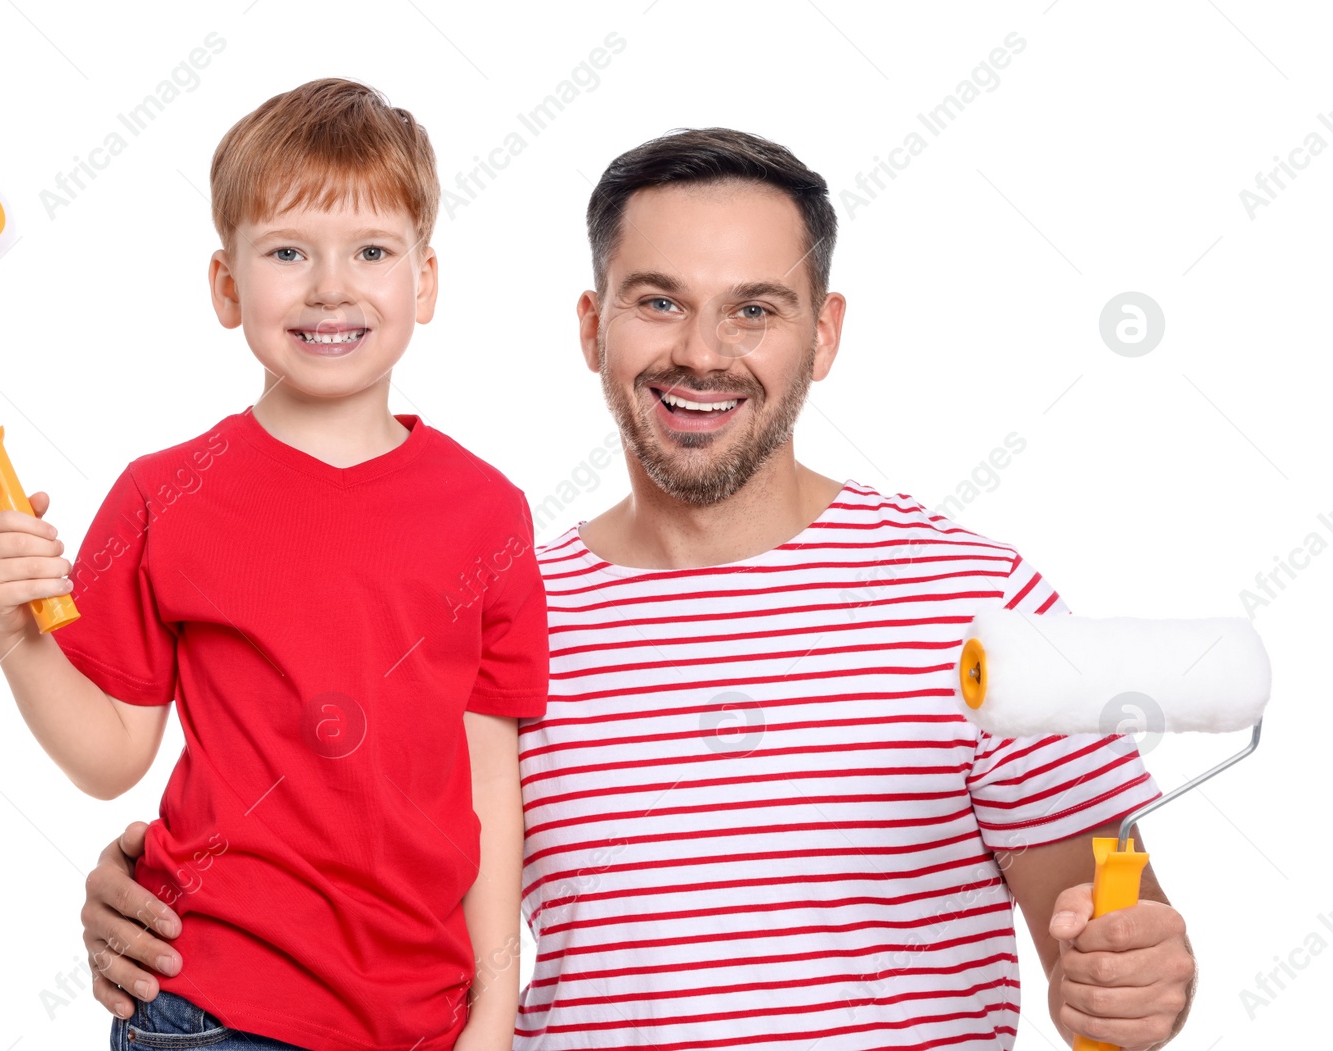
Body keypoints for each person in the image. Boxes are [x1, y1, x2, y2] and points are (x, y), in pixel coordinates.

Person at [76, 127, 1198, 1050]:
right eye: (657, 302)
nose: (702, 352)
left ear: (825, 333)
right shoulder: (489, 601)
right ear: (591, 326)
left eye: (755, 309)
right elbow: (329, 825)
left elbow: (1108, 931)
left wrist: (1141, 981)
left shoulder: (978, 602)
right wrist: (162, 895)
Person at [0, 78, 548, 1051]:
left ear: (425, 280)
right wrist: (14, 631)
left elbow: (490, 782)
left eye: (371, 251)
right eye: (288, 252)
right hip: (211, 1007)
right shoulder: (162, 494)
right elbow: (110, 757)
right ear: (228, 286)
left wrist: (494, 1010)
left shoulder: (487, 511)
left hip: (424, 1018)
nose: (331, 285)